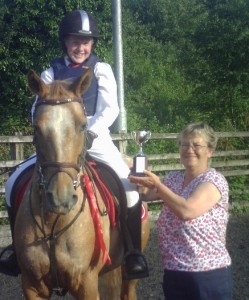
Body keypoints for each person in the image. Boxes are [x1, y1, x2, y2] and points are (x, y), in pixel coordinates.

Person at [0, 9, 148, 279]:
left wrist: (89, 131)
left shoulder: (101, 69)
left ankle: (133, 252)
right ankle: (15, 249)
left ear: (92, 44)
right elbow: (37, 109)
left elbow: (111, 108)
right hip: (57, 138)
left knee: (129, 187)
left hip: (94, 134)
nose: (80, 47)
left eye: (86, 42)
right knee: (13, 183)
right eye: (74, 41)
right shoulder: (49, 72)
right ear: (65, 42)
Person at [129, 122, 232, 300]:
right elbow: (145, 195)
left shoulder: (214, 180)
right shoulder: (174, 179)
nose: (189, 149)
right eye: (184, 144)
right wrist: (134, 174)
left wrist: (158, 185)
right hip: (174, 272)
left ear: (210, 151)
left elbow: (187, 210)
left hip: (207, 274)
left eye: (196, 145)